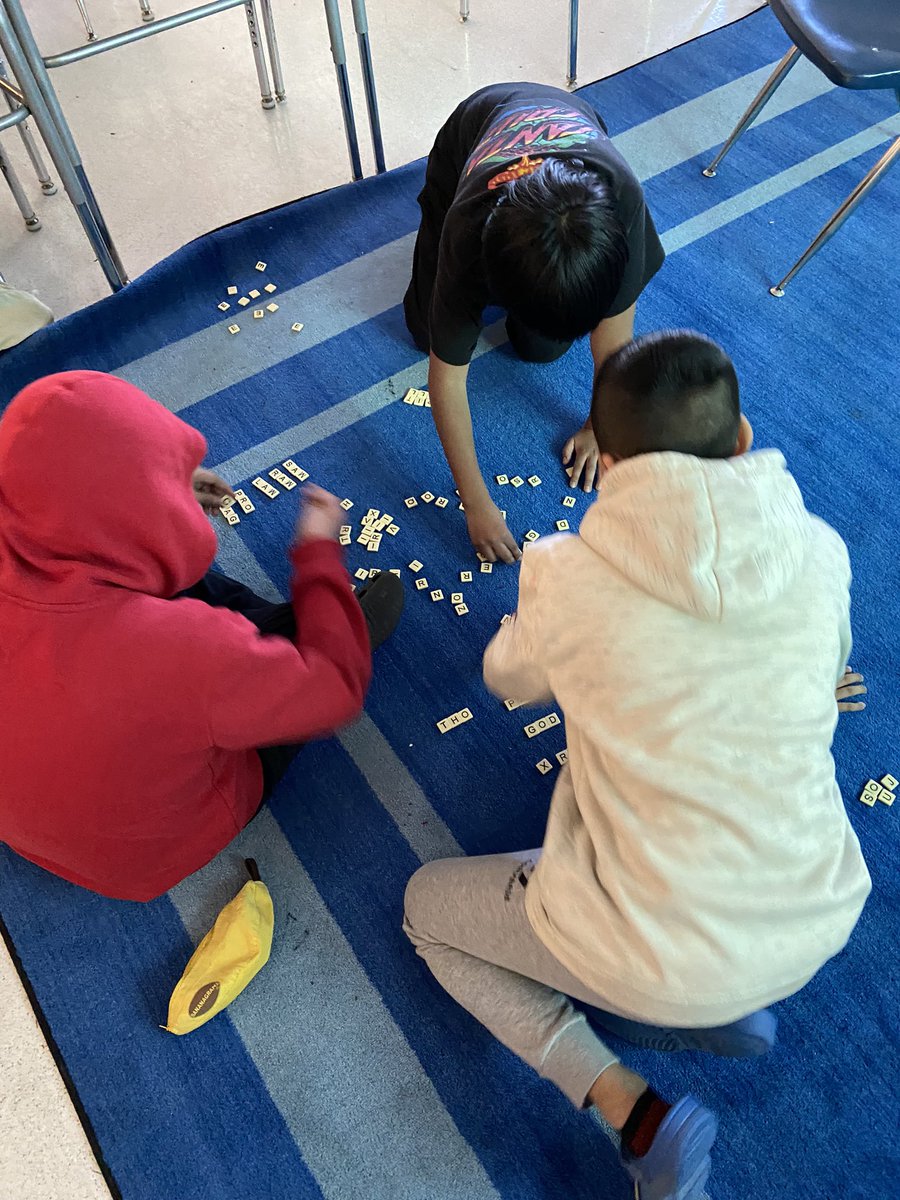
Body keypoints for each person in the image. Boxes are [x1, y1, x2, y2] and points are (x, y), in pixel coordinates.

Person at [403, 331, 871, 1200]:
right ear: (741, 440)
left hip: (640, 948)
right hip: (811, 919)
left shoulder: (566, 573)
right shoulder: (823, 549)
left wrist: (556, 621)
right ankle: (722, 1006)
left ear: (608, 464)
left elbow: (506, 679)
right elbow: (830, 664)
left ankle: (638, 1116)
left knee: (425, 911)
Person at [0, 371, 403, 902]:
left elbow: (68, 497)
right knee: (294, 652)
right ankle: (329, 626)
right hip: (146, 854)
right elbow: (334, 695)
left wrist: (160, 488)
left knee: (167, 585)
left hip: (28, 827)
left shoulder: (22, 506)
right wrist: (319, 554)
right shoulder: (180, 651)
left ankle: (263, 636)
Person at [404, 83, 665, 563]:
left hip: (574, 121)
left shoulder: (621, 204)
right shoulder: (466, 235)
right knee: (424, 331)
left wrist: (597, 425)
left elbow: (614, 344)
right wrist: (476, 504)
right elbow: (445, 382)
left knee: (541, 348)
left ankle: (543, 312)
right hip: (471, 133)